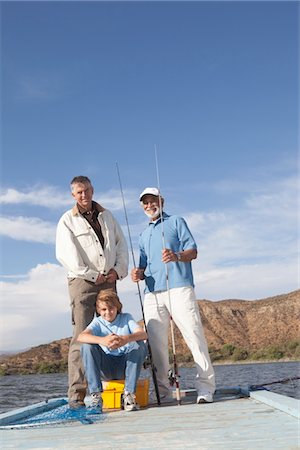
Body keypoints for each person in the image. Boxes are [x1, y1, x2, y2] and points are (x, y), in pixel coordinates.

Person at [131, 187, 215, 404]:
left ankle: (206, 388)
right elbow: (142, 265)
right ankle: (164, 392)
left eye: (153, 201)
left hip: (179, 288)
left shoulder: (176, 221)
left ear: (162, 201)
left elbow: (193, 251)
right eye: (145, 203)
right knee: (156, 346)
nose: (149, 205)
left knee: (194, 337)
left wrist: (176, 256)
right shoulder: (143, 235)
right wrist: (138, 273)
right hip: (152, 293)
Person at [56, 176, 128, 409]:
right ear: (73, 195)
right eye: (79, 192)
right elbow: (66, 255)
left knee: (115, 332)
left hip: (108, 281)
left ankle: (116, 388)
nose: (84, 195)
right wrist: (90, 274)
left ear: (92, 189)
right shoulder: (67, 221)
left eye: (87, 190)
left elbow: (120, 245)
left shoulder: (108, 216)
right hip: (83, 283)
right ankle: (77, 396)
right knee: (81, 338)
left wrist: (118, 271)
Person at [77, 290, 148, 412]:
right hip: (106, 367)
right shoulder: (98, 322)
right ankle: (96, 396)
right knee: (87, 346)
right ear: (99, 310)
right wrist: (102, 340)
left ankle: (129, 395)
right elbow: (81, 337)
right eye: (104, 310)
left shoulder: (126, 318)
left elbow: (143, 334)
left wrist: (125, 339)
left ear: (117, 308)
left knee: (138, 344)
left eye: (111, 309)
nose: (108, 313)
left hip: (125, 364)